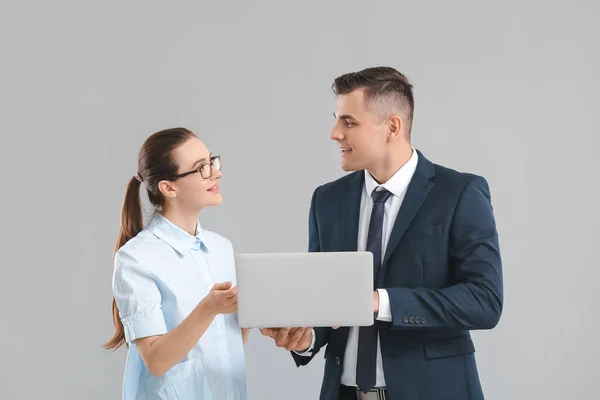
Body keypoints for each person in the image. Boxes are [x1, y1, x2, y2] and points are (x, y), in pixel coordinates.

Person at [260, 67, 503, 399]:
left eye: (349, 122)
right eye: (336, 120)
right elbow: (325, 301)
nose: (334, 133)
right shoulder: (327, 200)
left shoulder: (459, 193)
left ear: (392, 126)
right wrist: (307, 338)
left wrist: (379, 301)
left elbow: (484, 301)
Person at [103, 127, 249, 400]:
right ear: (169, 188)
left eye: (212, 161)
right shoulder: (136, 258)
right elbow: (156, 360)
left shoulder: (221, 248)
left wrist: (252, 314)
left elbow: (227, 345)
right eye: (201, 168)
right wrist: (209, 308)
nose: (216, 173)